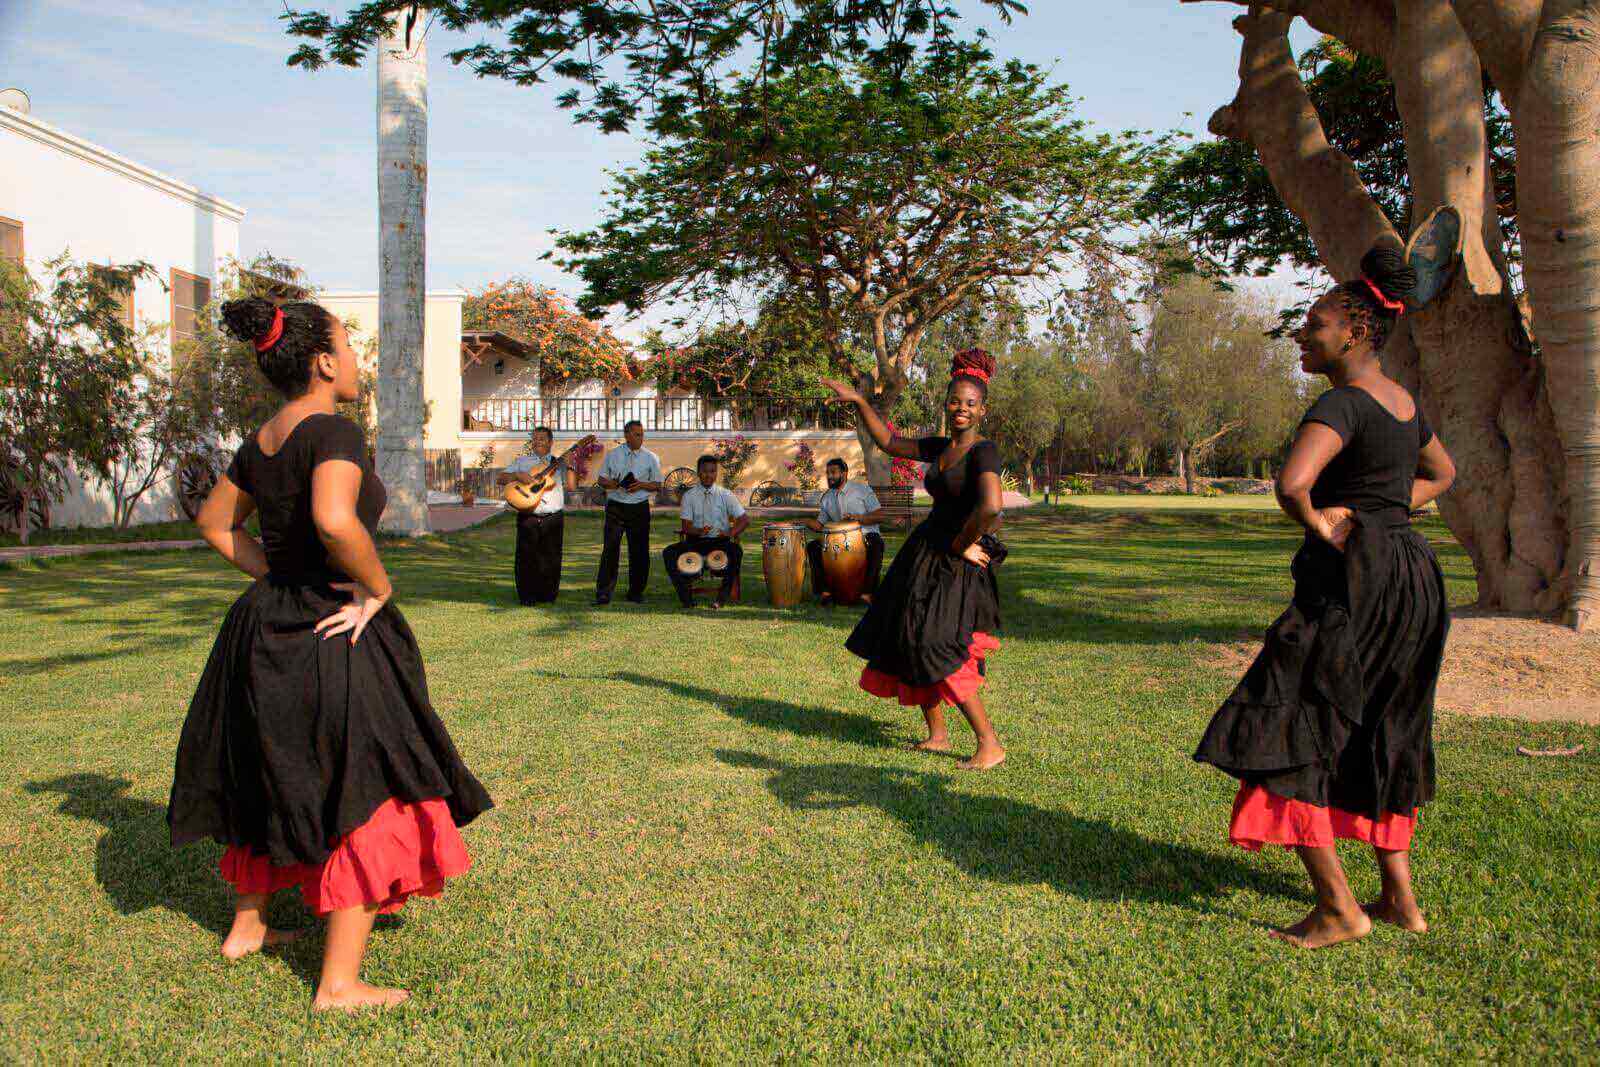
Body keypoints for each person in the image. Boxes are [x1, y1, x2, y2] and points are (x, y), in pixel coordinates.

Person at [169, 297, 493, 1011]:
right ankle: (339, 981)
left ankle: (246, 929)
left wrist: (277, 576)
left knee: (271, 766)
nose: (355, 360)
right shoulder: (334, 432)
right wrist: (376, 584)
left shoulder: (264, 439)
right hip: (331, 627)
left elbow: (214, 522)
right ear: (322, 362)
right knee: (365, 782)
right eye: (348, 346)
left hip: (263, 627)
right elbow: (333, 518)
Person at [1194, 245, 1455, 950]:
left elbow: (1291, 483)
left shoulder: (1342, 402)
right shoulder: (1402, 403)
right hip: (1413, 581)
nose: (1304, 333)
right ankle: (1401, 899)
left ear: (1358, 329)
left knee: (1288, 725)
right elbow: (1443, 471)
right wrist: (1388, 513)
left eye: (1317, 322)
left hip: (1354, 583)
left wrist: (1325, 520)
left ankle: (1340, 908)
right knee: (1381, 726)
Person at [822, 348, 1006, 771]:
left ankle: (989, 743)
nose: (961, 409)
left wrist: (963, 542)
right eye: (955, 401)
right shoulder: (941, 447)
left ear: (983, 409)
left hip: (956, 561)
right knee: (907, 634)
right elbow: (887, 442)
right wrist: (860, 402)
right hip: (924, 553)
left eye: (971, 403)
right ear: (946, 403)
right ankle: (938, 734)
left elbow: (992, 507)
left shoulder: (984, 452)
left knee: (938, 643)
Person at [496, 426, 576, 605]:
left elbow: (572, 487)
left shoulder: (559, 463)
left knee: (552, 557)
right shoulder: (522, 461)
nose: (538, 442)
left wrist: (570, 465)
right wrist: (518, 475)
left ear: (550, 442)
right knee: (526, 557)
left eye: (542, 439)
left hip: (553, 517)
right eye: (535, 439)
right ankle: (527, 596)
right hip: (528, 516)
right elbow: (500, 478)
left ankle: (548, 596)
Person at [663, 454, 750, 609]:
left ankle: (721, 599)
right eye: (705, 471)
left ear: (716, 473)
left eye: (712, 471)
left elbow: (744, 520)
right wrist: (698, 531)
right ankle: (687, 599)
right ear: (698, 473)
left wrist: (730, 533)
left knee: (736, 551)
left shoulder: (725, 495)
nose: (709, 475)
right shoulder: (689, 496)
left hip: (719, 542)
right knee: (669, 552)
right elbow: (686, 527)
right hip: (695, 541)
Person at [594, 420, 662, 605]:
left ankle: (636, 592)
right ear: (627, 435)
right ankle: (604, 592)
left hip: (639, 506)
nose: (641, 438)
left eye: (642, 434)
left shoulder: (651, 458)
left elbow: (657, 484)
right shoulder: (613, 455)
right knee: (610, 549)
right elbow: (601, 479)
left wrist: (640, 484)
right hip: (616, 506)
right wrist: (615, 484)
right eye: (637, 434)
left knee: (639, 551)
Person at [804, 458, 887, 604]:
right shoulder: (827, 497)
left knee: (876, 543)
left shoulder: (862, 490)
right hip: (839, 541)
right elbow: (820, 525)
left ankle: (867, 594)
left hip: (865, 535)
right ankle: (825, 592)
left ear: (844, 473)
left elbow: (880, 516)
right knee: (813, 547)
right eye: (828, 473)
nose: (829, 476)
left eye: (833, 472)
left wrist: (858, 518)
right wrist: (803, 522)